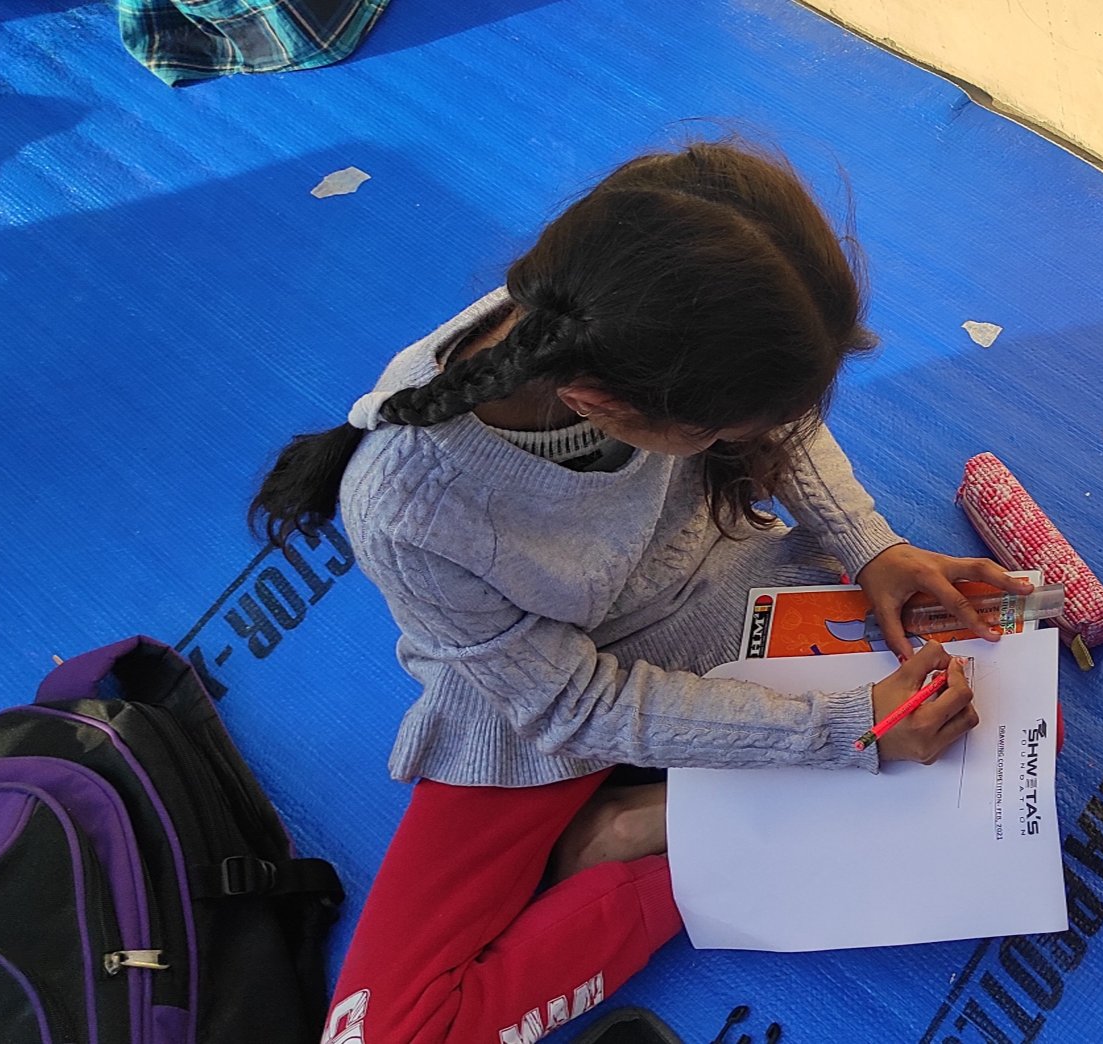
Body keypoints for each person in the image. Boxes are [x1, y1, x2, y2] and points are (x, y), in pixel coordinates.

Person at [252, 140, 1025, 1044]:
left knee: (949, 743)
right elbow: (575, 706)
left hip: (736, 609)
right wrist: (843, 732)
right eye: (721, 433)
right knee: (397, 1033)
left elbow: (775, 412)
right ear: (599, 402)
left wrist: (871, 548)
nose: (752, 441)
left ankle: (662, 824)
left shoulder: (643, 313)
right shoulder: (409, 506)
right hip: (540, 711)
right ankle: (657, 826)